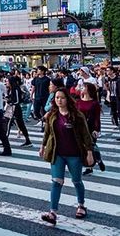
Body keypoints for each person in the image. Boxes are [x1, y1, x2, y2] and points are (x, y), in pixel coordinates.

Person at [39, 87, 94, 225]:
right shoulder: (52, 114)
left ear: (67, 99)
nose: (59, 100)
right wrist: (43, 146)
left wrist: (89, 152)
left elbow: (86, 135)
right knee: (56, 181)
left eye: (62, 97)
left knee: (77, 181)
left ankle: (81, 205)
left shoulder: (77, 115)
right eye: (57, 98)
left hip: (74, 154)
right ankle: (53, 213)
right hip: (57, 153)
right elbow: (47, 132)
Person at [77, 83, 105, 175]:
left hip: (91, 127)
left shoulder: (94, 103)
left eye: (84, 87)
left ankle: (90, 166)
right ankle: (97, 159)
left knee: (90, 146)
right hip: (80, 127)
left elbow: (97, 117)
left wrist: (96, 129)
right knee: (82, 146)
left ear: (89, 90)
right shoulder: (78, 101)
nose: (82, 88)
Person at [5, 76, 32, 147]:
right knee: (9, 123)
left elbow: (17, 100)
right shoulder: (10, 89)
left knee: (18, 124)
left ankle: (27, 140)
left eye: (7, 81)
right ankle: (5, 139)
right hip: (12, 108)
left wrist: (9, 101)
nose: (6, 83)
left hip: (16, 108)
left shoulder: (16, 89)